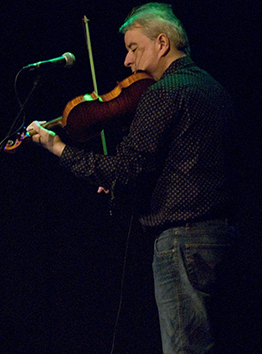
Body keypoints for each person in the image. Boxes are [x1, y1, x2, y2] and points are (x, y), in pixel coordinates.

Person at [27, 3, 238, 354]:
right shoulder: (215, 89)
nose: (128, 61)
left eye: (133, 48)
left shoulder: (163, 93)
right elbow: (186, 168)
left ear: (161, 43)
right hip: (224, 237)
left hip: (182, 244)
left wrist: (57, 147)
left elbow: (124, 170)